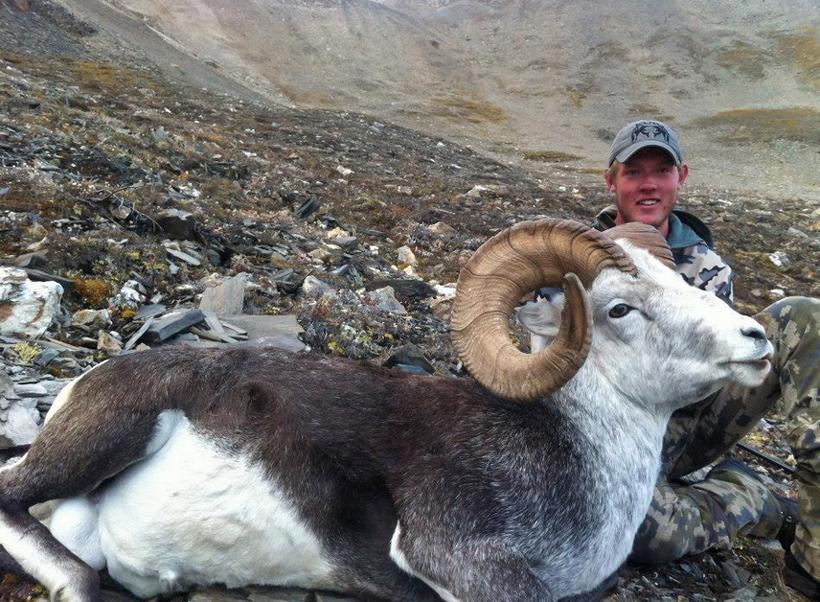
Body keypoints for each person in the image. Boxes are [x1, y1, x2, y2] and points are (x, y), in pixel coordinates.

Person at [588, 119, 820, 597]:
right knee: (635, 532)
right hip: (608, 424)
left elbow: (709, 366)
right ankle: (751, 497)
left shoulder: (706, 267)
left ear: (681, 177)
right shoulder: (578, 259)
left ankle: (812, 549)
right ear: (612, 181)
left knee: (806, 316)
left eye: (661, 170)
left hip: (689, 416)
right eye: (634, 172)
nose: (648, 184)